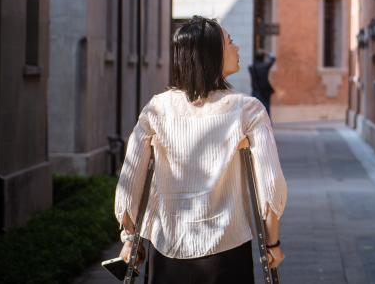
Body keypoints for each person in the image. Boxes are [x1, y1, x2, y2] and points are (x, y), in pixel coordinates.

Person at [115, 16, 288, 282]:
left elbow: (131, 183)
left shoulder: (156, 109)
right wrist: (272, 244)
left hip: (167, 251)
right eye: (229, 42)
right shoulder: (248, 110)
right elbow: (271, 184)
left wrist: (129, 239)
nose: (237, 47)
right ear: (212, 54)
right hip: (227, 253)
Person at [249, 50, 277, 118]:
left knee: (255, 110)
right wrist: (267, 52)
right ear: (263, 57)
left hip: (255, 91)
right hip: (264, 92)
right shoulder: (265, 66)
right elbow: (273, 58)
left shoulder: (251, 67)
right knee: (266, 110)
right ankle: (267, 126)